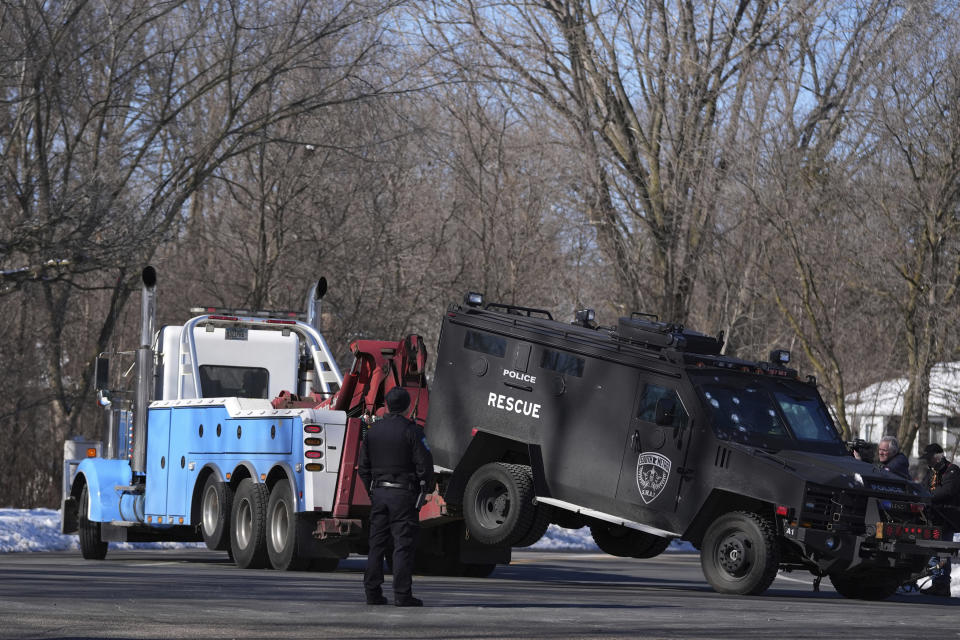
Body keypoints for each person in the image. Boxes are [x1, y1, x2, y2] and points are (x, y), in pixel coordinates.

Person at [358, 387, 434, 607]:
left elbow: (363, 467)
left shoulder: (373, 431)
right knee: (402, 544)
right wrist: (423, 489)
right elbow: (425, 464)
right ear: (408, 406)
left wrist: (373, 490)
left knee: (377, 544)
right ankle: (402, 594)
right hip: (403, 494)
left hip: (380, 493)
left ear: (388, 405)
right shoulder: (413, 430)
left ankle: (372, 592)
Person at [920, 443, 960, 597]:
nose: (927, 462)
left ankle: (942, 584)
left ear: (937, 458)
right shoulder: (931, 473)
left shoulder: (952, 471)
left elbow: (948, 491)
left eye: (929, 459)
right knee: (934, 553)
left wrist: (928, 496)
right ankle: (938, 583)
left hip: (947, 518)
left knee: (943, 551)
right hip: (933, 518)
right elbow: (923, 488)